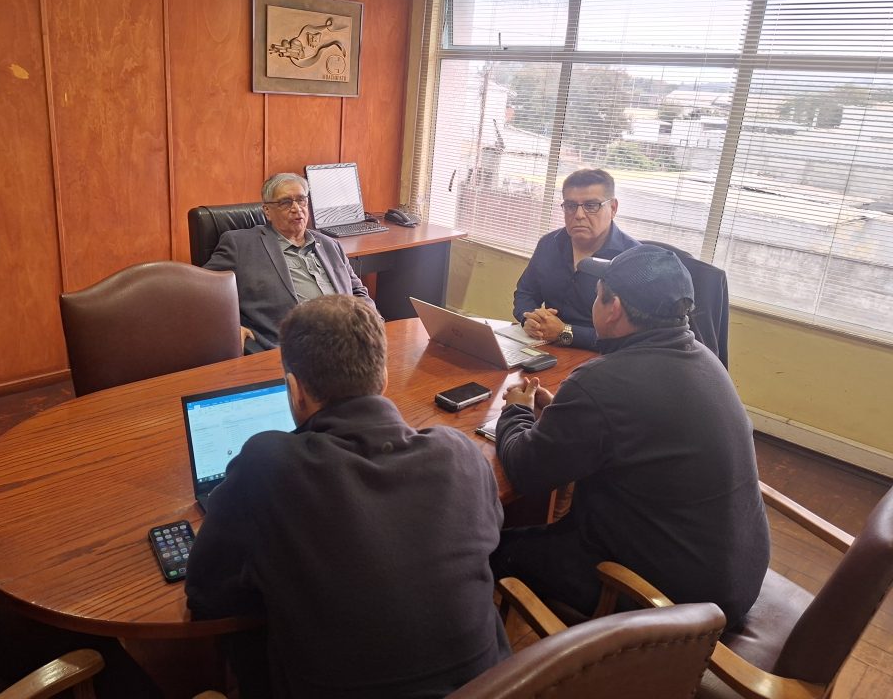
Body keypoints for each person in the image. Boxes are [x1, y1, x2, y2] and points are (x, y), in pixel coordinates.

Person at [185, 295, 509, 698]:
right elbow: (490, 534)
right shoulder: (460, 453)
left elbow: (205, 593)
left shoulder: (267, 466)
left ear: (295, 390)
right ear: (383, 378)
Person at [491, 244, 769, 629]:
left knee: (488, 547)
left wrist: (517, 409)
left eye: (597, 294)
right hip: (732, 576)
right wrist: (566, 416)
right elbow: (635, 432)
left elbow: (525, 470)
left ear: (614, 308)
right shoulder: (705, 359)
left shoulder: (602, 381)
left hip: (670, 601)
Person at [204, 173, 373, 351]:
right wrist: (230, 327)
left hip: (348, 342)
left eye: (301, 200)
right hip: (291, 350)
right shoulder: (240, 244)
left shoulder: (330, 245)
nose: (296, 208)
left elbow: (357, 291)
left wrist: (372, 325)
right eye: (285, 202)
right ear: (267, 211)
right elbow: (203, 294)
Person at [513, 168, 638, 351]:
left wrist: (565, 332)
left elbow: (632, 338)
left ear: (613, 208)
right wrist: (530, 320)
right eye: (571, 206)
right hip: (543, 345)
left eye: (591, 205)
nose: (579, 215)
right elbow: (526, 293)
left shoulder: (634, 259)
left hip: (600, 356)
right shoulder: (549, 244)